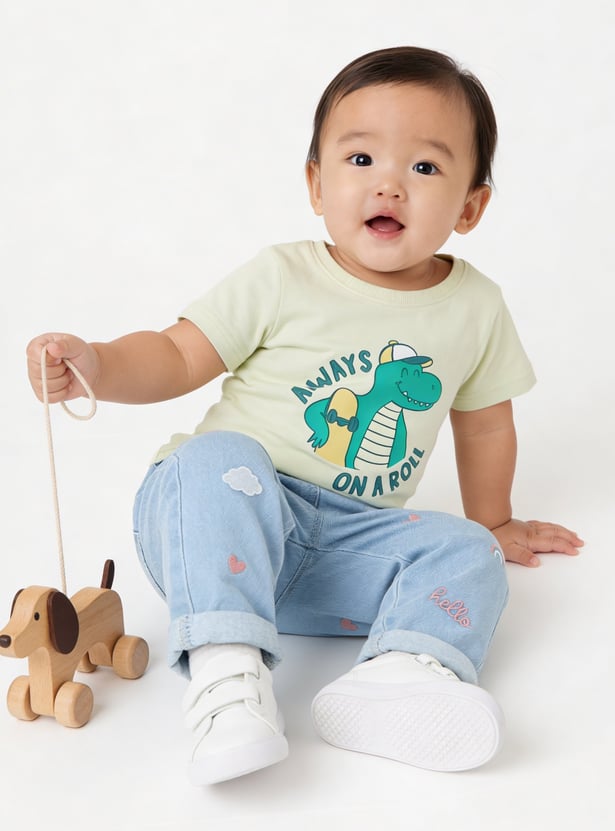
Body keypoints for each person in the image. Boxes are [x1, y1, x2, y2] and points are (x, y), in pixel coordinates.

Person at [27, 46, 583, 786]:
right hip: (217, 522)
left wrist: (495, 519)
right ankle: (227, 679)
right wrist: (96, 362)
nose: (388, 183)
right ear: (317, 185)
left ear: (469, 207)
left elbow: (482, 421)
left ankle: (397, 675)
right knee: (215, 458)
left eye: (424, 166)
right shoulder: (282, 275)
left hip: (343, 548)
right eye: (361, 159)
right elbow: (177, 353)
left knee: (468, 550)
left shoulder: (475, 307)